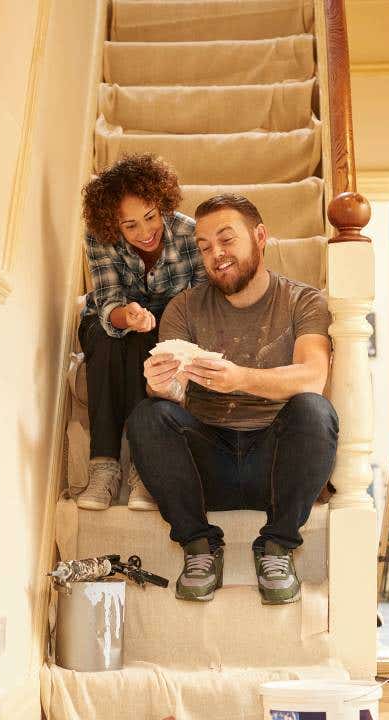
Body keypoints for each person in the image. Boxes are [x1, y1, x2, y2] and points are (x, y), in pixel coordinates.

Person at [129, 194, 337, 605]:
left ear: (260, 237)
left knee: (315, 410)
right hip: (208, 466)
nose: (215, 255)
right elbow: (174, 396)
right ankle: (199, 547)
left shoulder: (304, 301)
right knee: (147, 415)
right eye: (204, 247)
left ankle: (277, 547)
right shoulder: (184, 308)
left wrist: (240, 379)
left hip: (277, 467)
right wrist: (159, 384)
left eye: (226, 240)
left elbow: (313, 375)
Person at [76, 154, 206, 512]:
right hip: (110, 322)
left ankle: (142, 470)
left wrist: (162, 327)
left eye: (150, 217)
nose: (145, 232)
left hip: (168, 326)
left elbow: (200, 303)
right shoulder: (98, 238)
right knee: (110, 340)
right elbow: (107, 304)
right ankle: (103, 465)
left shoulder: (189, 234)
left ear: (162, 203)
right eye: (130, 226)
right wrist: (126, 317)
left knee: (148, 347)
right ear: (112, 225)